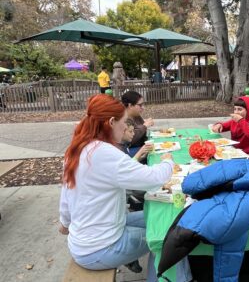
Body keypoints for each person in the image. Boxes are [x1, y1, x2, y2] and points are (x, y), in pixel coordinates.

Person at [59, 94, 174, 276]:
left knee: (157, 215)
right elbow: (154, 178)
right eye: (124, 122)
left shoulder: (78, 147)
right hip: (100, 248)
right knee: (166, 239)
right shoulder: (104, 153)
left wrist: (64, 223)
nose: (126, 127)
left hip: (90, 237)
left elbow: (66, 194)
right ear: (112, 122)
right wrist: (168, 161)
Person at [121, 91, 154, 162]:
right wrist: (145, 126)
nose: (143, 108)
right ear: (130, 106)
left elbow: (140, 129)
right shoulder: (123, 119)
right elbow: (130, 140)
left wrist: (144, 124)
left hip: (138, 147)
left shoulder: (135, 115)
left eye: (143, 104)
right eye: (140, 105)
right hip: (129, 151)